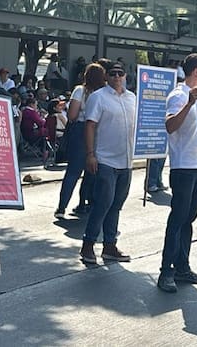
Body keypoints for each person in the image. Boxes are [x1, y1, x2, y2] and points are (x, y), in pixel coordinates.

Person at [157, 53, 197, 293]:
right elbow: (170, 126)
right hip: (183, 165)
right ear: (196, 73)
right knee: (178, 218)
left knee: (189, 218)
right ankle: (166, 271)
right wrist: (189, 103)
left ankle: (182, 265)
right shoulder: (178, 95)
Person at [79, 60, 138, 265]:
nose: (117, 77)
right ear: (106, 76)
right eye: (112, 73)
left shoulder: (132, 98)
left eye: (120, 73)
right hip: (105, 159)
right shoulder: (98, 97)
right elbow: (90, 126)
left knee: (116, 205)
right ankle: (88, 244)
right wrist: (90, 154)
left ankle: (110, 245)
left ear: (125, 76)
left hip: (126, 161)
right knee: (102, 204)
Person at [56, 63, 105, 219]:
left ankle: (62, 207)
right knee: (91, 171)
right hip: (98, 131)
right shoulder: (104, 93)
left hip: (80, 131)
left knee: (73, 172)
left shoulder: (80, 91)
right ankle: (84, 203)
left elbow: (72, 116)